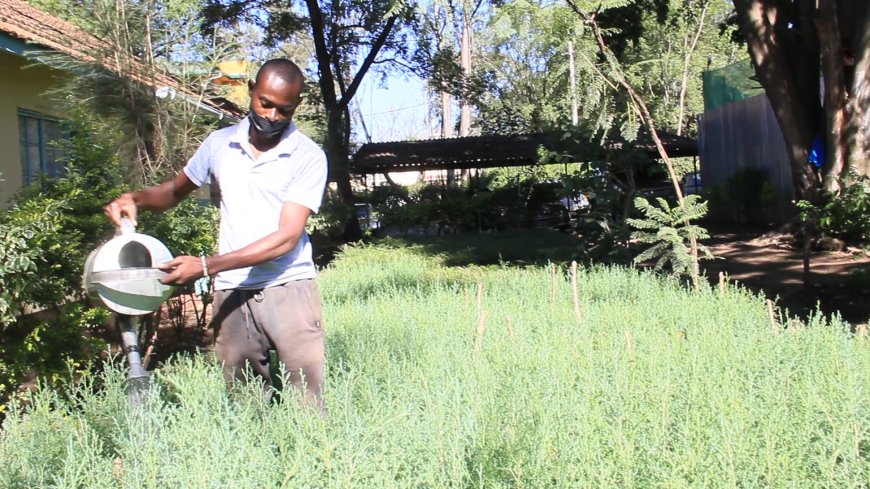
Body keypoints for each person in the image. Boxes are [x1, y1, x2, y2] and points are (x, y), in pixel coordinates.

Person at [104, 59, 329, 413]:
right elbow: (173, 192)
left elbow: (287, 237)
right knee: (246, 404)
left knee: (308, 403)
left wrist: (207, 265)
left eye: (283, 110)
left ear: (296, 106)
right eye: (265, 103)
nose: (271, 115)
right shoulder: (219, 144)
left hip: (289, 287)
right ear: (252, 90)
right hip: (232, 290)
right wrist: (137, 199)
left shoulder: (308, 156)